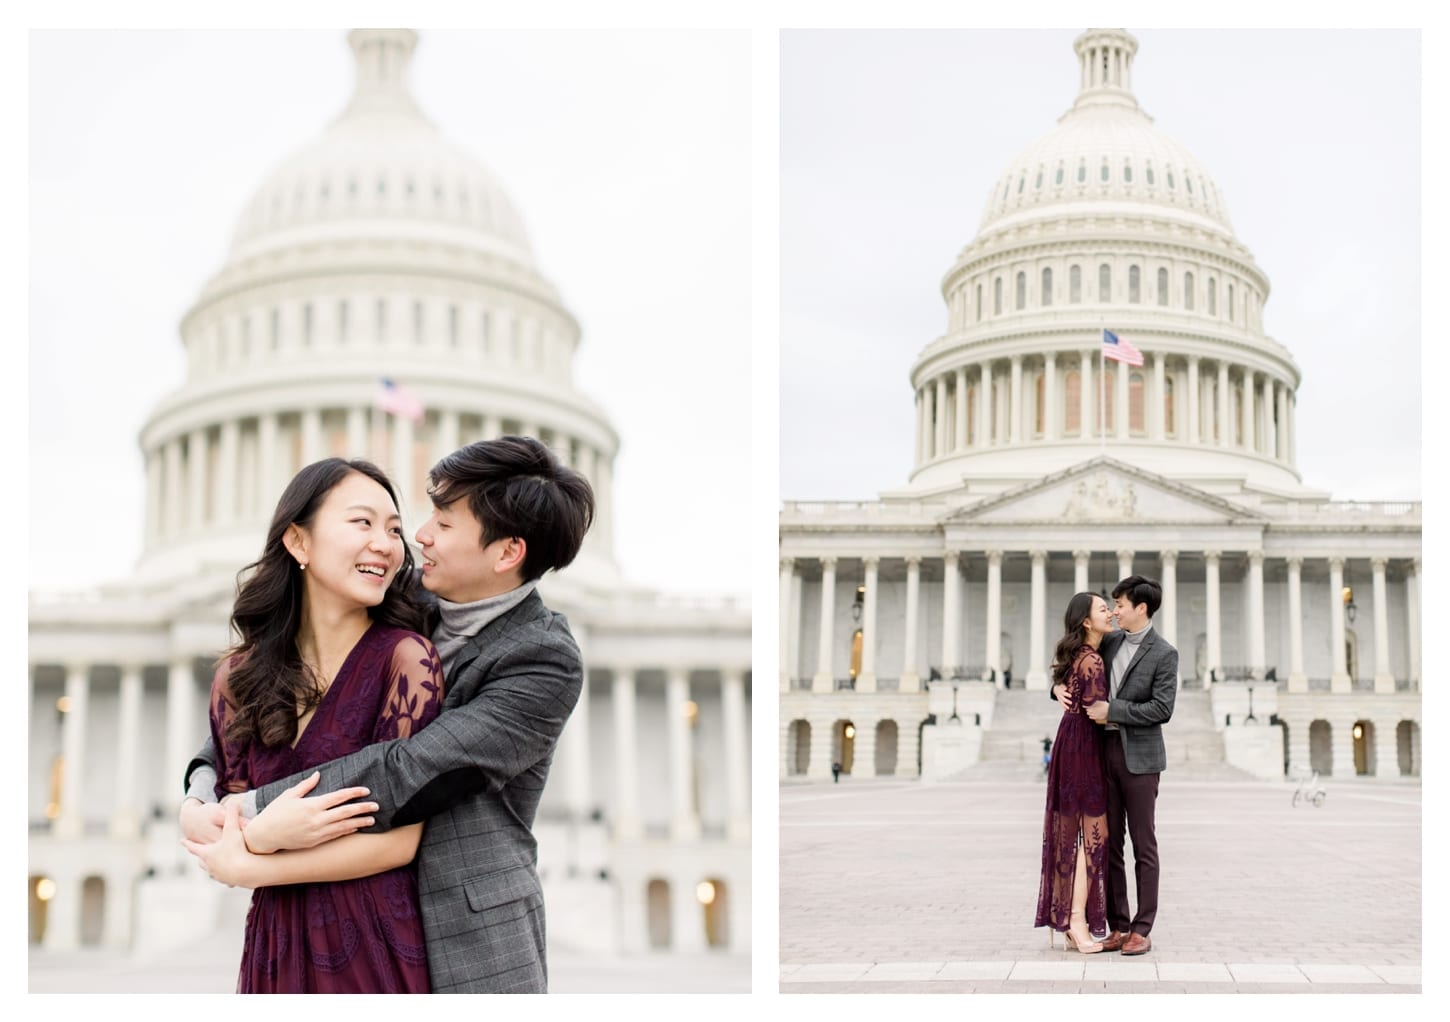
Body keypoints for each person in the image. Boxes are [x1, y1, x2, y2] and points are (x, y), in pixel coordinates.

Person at [181, 435, 595, 993]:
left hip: (466, 940)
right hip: (313, 919)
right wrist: (199, 796)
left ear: (506, 553)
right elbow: (251, 718)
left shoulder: (543, 660)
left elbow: (409, 769)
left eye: (444, 524)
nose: (417, 537)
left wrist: (253, 821)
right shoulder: (393, 600)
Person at [184, 457, 444, 992]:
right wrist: (202, 809)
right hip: (275, 943)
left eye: (394, 529)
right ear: (299, 543)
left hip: (377, 941)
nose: (386, 543)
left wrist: (256, 853)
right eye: (363, 522)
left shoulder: (407, 660)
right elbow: (223, 822)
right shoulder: (238, 678)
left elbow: (399, 841)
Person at [1053, 575, 1178, 956]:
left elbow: (1162, 709)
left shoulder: (1164, 653)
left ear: (1142, 608)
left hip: (1140, 759)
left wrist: (1115, 712)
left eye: (1120, 604)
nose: (1115, 610)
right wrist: (1054, 686)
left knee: (1144, 844)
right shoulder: (1109, 642)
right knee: (1109, 845)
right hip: (1101, 754)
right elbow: (1073, 662)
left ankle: (1142, 927)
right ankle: (1119, 924)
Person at [1035, 592, 1114, 953]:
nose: (1110, 613)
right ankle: (1077, 921)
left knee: (1081, 839)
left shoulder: (1081, 656)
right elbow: (1098, 710)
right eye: (1102, 609)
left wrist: (1055, 687)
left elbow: (1069, 689)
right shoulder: (1092, 660)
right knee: (1091, 840)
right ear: (1086, 621)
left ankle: (1068, 919)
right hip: (1084, 746)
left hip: (1072, 742)